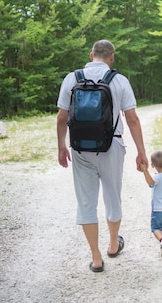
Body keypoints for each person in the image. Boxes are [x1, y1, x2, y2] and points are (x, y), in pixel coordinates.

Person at [57, 39, 148, 273]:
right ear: (112, 57)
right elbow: (132, 119)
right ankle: (112, 243)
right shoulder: (119, 80)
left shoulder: (71, 79)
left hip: (79, 149)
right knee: (112, 195)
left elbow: (61, 117)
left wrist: (61, 146)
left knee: (86, 202)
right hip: (112, 146)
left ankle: (96, 258)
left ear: (91, 55)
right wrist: (141, 152)